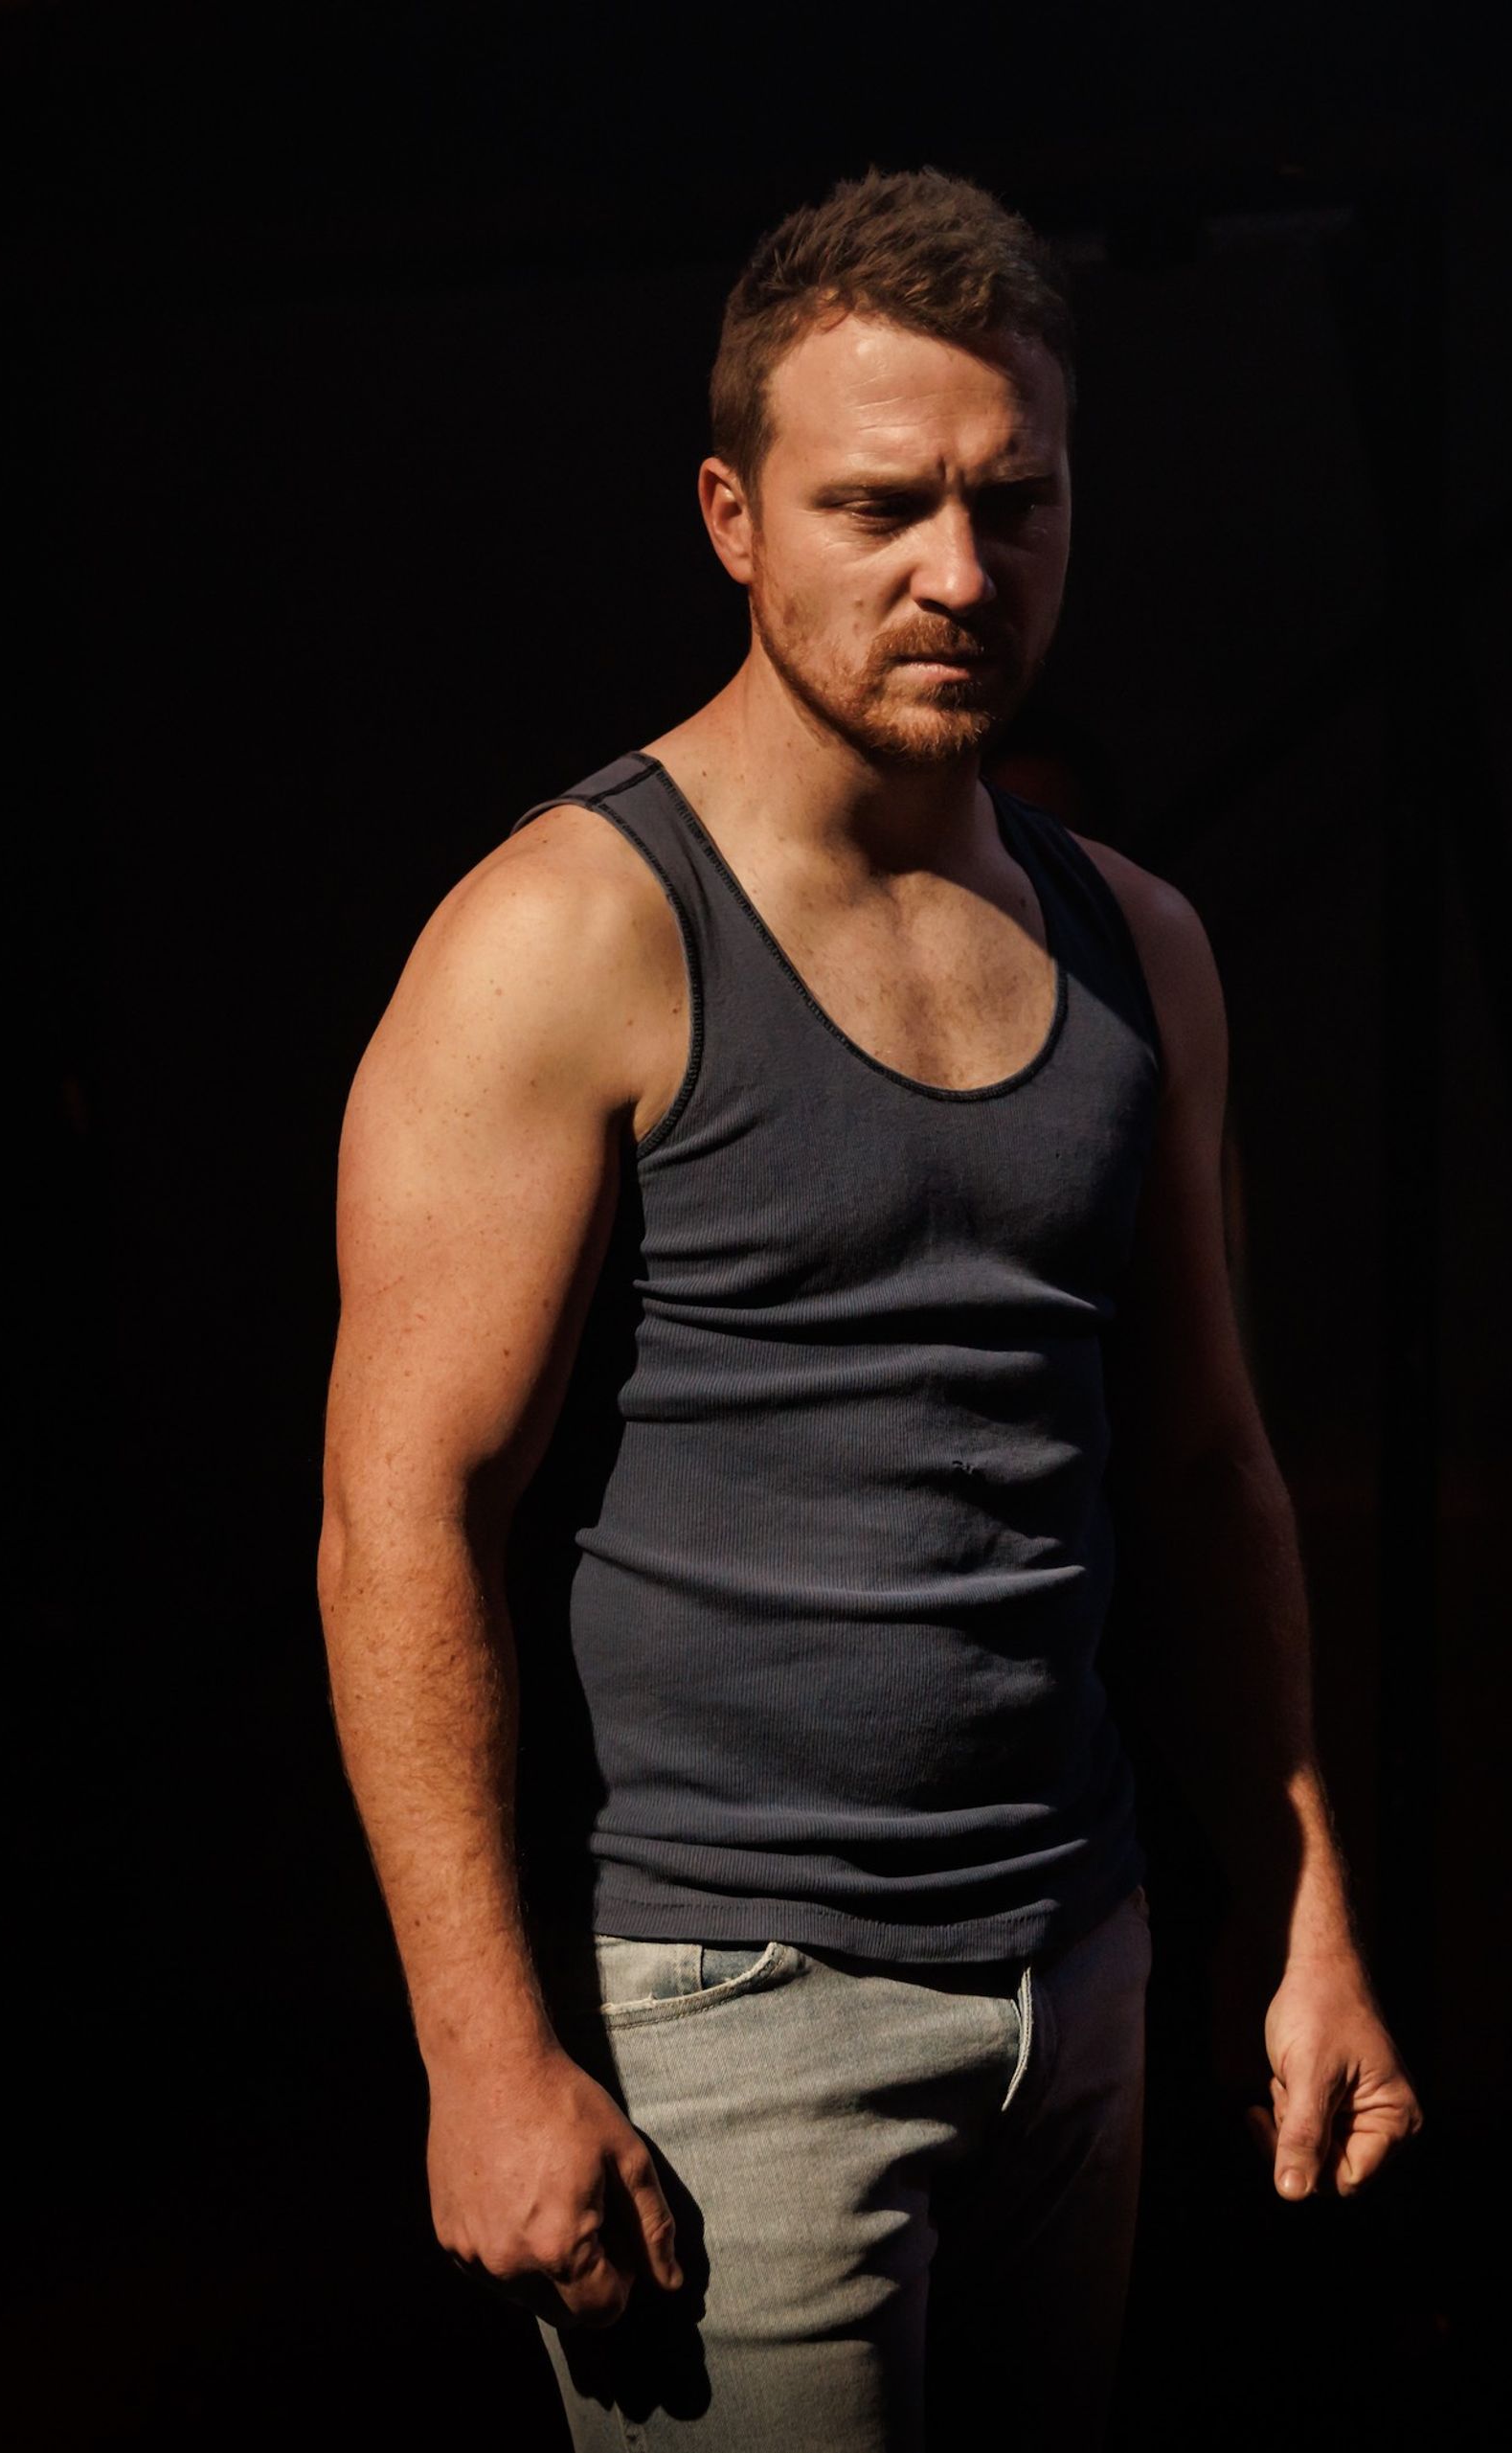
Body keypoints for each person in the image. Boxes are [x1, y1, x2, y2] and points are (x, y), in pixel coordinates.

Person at [317, 170, 1416, 2449]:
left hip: (1082, 1966)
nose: (959, 570)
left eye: (1015, 503)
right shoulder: (569, 930)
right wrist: (482, 2056)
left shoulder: (1142, 947)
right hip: (737, 2011)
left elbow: (1209, 1471)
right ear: (733, 516)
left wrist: (1304, 1916)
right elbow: (401, 1514)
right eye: (880, 505)